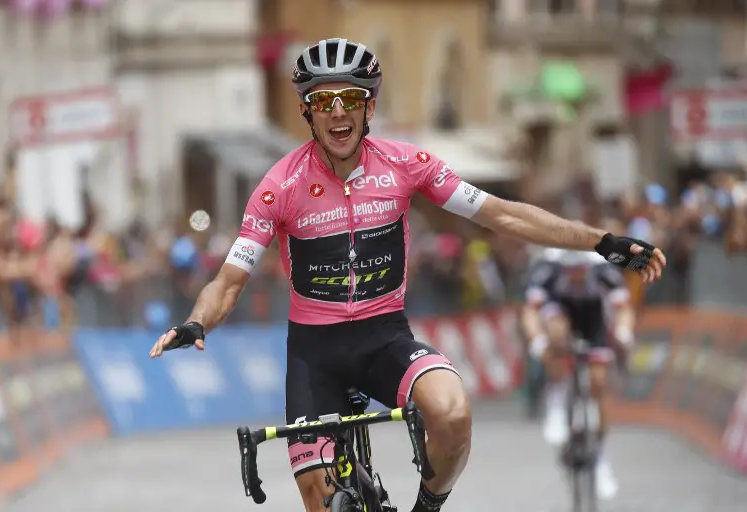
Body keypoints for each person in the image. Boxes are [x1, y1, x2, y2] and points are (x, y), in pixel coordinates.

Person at [148, 38, 666, 512]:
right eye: (323, 102)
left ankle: (426, 507)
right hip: (315, 356)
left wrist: (600, 241)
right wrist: (197, 323)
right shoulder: (278, 185)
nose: (337, 113)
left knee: (453, 413)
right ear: (308, 111)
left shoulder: (406, 164)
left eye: (349, 100)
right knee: (322, 502)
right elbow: (229, 280)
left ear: (369, 107)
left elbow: (503, 214)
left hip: (385, 339)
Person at [520, 246, 636, 501]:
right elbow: (530, 311)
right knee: (556, 334)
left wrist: (625, 334)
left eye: (580, 272)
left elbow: (623, 308)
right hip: (559, 313)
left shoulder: (604, 270)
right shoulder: (548, 269)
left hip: (593, 318)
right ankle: (557, 401)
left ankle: (602, 457)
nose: (575, 277)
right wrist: (537, 341)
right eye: (570, 272)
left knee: (599, 382)